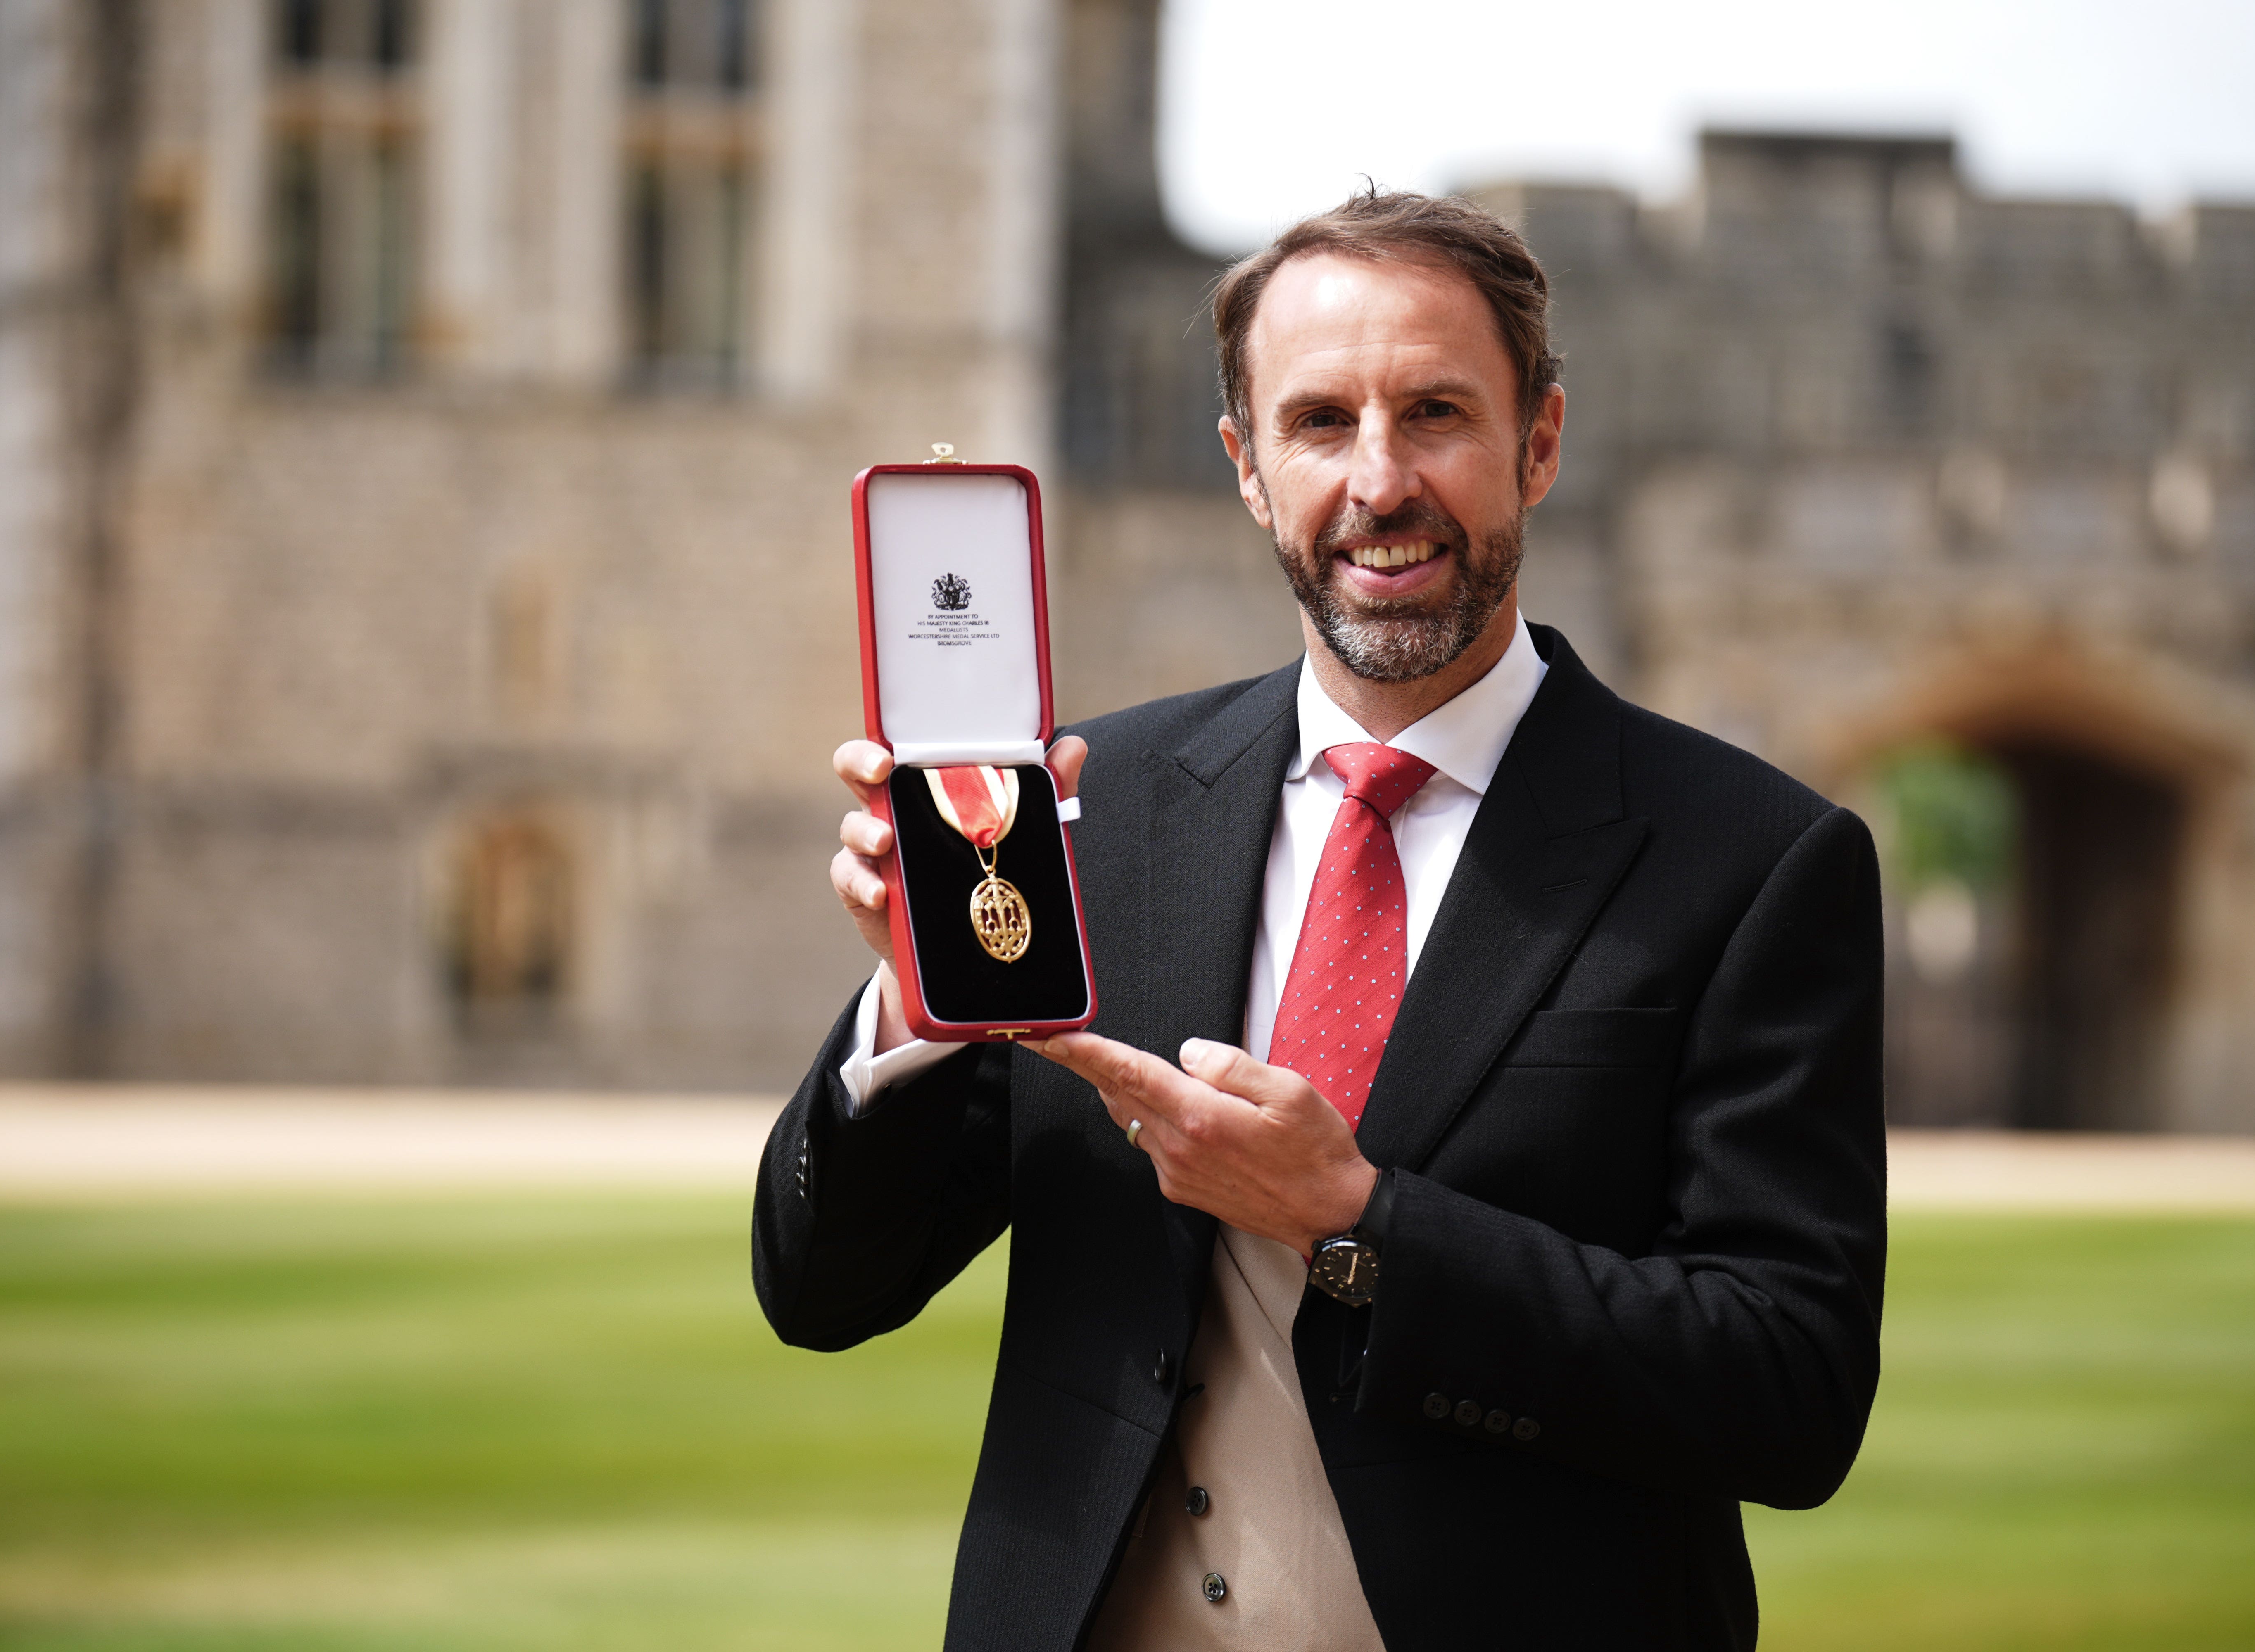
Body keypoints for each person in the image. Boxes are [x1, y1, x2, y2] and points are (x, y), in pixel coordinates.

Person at [753, 189, 1885, 1651]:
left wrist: (1359, 1226)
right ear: (1244, 466)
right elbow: (823, 1292)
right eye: (1319, 423)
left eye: (1435, 414)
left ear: (1541, 441)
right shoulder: (1087, 812)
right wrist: (912, 1016)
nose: (1379, 481)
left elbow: (1788, 1395)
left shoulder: (1755, 859)